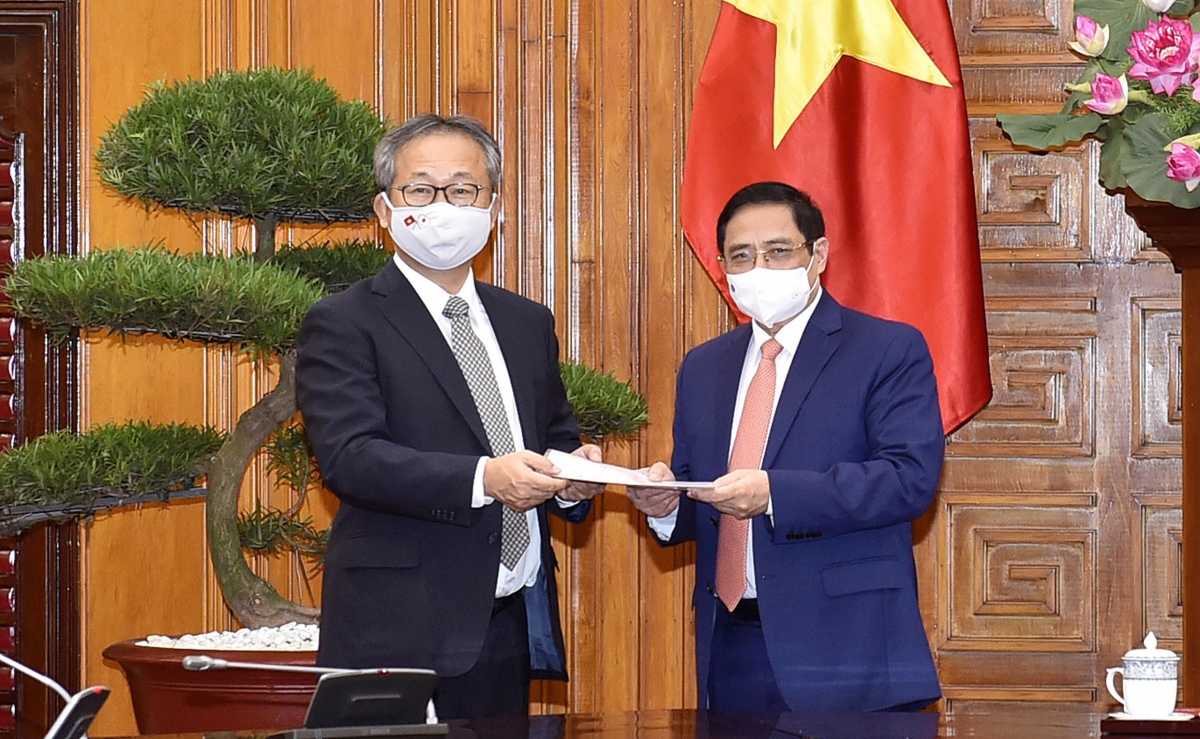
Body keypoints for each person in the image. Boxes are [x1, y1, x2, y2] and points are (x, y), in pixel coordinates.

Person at [296, 113, 604, 719]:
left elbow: (555, 436)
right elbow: (350, 458)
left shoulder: (526, 322)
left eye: (463, 189)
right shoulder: (343, 321)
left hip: (507, 616)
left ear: (494, 208)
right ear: (384, 210)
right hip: (397, 624)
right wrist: (485, 479)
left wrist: (576, 476)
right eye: (420, 189)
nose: (443, 205)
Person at [628, 181, 944, 713]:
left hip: (849, 649)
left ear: (818, 254)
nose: (759, 269)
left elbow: (907, 479)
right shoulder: (704, 367)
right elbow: (702, 495)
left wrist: (774, 494)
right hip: (730, 645)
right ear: (722, 268)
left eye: (777, 251)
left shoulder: (887, 349)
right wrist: (665, 507)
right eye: (741, 256)